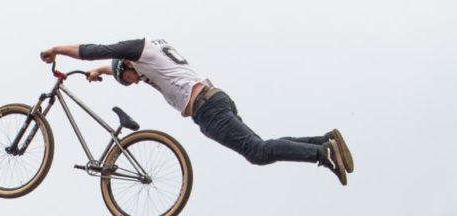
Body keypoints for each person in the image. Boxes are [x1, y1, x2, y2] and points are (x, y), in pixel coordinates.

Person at [39, 39, 354, 186]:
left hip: (207, 109)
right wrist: (101, 72)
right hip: (216, 99)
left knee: (257, 152)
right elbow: (110, 64)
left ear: (129, 65)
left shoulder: (139, 50)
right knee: (259, 143)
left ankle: (322, 153)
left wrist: (58, 50)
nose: (134, 83)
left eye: (129, 78)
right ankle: (324, 140)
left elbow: (99, 50)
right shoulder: (150, 57)